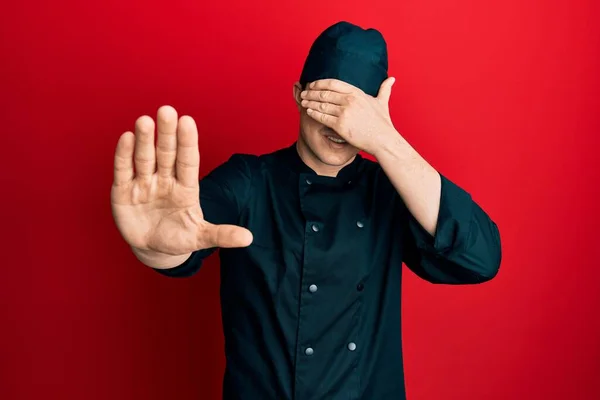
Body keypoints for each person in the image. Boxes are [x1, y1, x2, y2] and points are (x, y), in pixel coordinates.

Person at [111, 21, 501, 400]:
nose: (340, 125)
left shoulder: (391, 191)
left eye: (354, 109)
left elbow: (480, 258)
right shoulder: (249, 179)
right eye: (327, 102)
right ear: (299, 94)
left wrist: (385, 140)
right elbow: (184, 233)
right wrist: (154, 247)